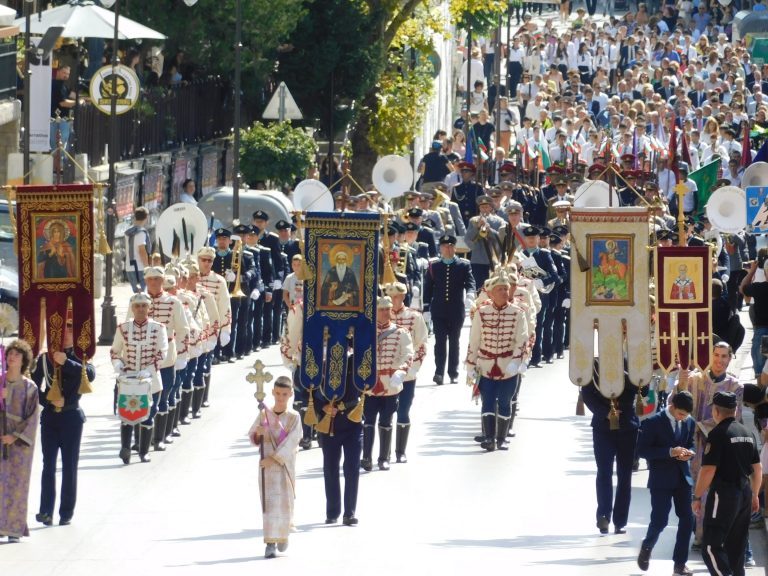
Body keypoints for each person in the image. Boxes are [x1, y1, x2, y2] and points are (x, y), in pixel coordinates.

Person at [31, 318, 95, 527]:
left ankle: (66, 511)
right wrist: (47, 398)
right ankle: (46, 511)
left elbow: (91, 375)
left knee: (69, 465)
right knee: (48, 465)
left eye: (70, 326)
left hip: (71, 417)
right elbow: (33, 387)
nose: (66, 331)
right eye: (62, 327)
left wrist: (66, 361)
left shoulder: (81, 356)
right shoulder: (44, 359)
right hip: (50, 417)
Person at [692, 391, 761, 576]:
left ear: (715, 411)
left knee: (710, 547)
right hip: (745, 493)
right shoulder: (747, 433)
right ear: (735, 409)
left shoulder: (717, 434)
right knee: (736, 548)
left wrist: (697, 496)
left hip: (724, 494)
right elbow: (758, 468)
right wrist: (754, 494)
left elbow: (708, 470)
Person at [465, 268, 529, 451]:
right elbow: (474, 340)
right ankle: (489, 438)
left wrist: (516, 362)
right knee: (487, 400)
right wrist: (470, 364)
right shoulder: (482, 312)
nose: (503, 292)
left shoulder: (518, 313)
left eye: (506, 289)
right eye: (499, 289)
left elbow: (521, 339)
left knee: (505, 401)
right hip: (485, 365)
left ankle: (501, 438)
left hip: (508, 364)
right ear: (491, 293)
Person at [636, 391, 696, 576]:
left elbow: (691, 443)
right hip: (661, 479)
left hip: (682, 478)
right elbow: (642, 450)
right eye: (680, 414)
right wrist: (669, 452)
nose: (682, 418)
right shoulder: (653, 423)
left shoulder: (689, 422)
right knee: (660, 520)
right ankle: (647, 546)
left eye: (685, 415)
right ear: (672, 406)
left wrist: (689, 452)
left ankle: (680, 564)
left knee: (687, 519)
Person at [581, 362, 640, 535]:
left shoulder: (633, 362)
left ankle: (620, 521)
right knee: (604, 472)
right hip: (602, 426)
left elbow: (642, 390)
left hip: (628, 426)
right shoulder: (595, 364)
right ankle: (604, 516)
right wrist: (604, 412)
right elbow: (587, 393)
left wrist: (623, 374)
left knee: (624, 475)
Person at [110, 292, 168, 464]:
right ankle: (125, 448)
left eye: (144, 305)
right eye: (137, 306)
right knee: (126, 415)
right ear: (132, 308)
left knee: (148, 414)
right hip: (129, 380)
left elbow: (162, 352)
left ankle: (144, 451)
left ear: (149, 308)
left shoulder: (159, 328)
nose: (140, 309)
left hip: (151, 380)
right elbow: (115, 351)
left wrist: (149, 370)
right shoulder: (123, 328)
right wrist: (118, 365)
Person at [248, 375, 301, 559]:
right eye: (277, 394)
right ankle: (270, 543)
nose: (280, 398)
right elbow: (252, 435)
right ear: (272, 392)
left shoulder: (294, 417)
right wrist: (258, 434)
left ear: (290, 394)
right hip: (267, 468)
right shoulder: (264, 414)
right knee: (269, 505)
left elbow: (293, 441)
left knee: (285, 502)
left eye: (284, 394)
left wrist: (275, 458)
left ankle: (283, 534)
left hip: (284, 465)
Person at [313, 342, 363, 526]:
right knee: (331, 467)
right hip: (330, 423)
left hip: (352, 420)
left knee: (352, 467)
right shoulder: (319, 365)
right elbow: (306, 388)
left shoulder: (353, 363)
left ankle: (349, 512)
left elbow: (366, 356)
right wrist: (322, 407)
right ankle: (332, 511)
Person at [362, 296, 413, 471]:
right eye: (381, 309)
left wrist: (400, 372)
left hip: (390, 384)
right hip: (370, 385)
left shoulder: (401, 332)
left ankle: (384, 458)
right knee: (368, 421)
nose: (385, 312)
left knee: (386, 421)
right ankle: (366, 457)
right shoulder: (365, 332)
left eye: (387, 309)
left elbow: (407, 354)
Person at [0, 339, 39, 543]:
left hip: (19, 444)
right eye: (9, 354)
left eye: (16, 354)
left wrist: (14, 436)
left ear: (24, 360)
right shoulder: (0, 381)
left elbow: (33, 419)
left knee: (16, 484)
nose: (12, 357)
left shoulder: (29, 387)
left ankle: (14, 528)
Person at [423, 234, 476, 385]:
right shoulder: (434, 265)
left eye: (451, 246)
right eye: (445, 246)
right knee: (439, 341)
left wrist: (470, 294)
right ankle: (439, 372)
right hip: (438, 310)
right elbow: (428, 288)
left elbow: (470, 282)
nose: (448, 248)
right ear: (440, 248)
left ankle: (453, 372)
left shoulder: (463, 265)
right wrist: (426, 308)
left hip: (456, 310)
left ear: (455, 247)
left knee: (454, 341)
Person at [385, 282, 428, 463]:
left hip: (406, 374)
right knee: (386, 414)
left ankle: (400, 451)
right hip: (385, 373)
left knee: (403, 411)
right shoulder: (381, 315)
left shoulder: (414, 317)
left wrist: (410, 369)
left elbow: (421, 345)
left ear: (403, 297)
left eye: (398, 296)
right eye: (392, 297)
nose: (395, 300)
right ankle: (384, 452)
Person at [124, 207, 151, 293]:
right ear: (146, 217)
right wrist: (147, 267)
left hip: (129, 267)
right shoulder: (140, 233)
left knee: (137, 294)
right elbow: (142, 251)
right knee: (142, 295)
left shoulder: (128, 232)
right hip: (139, 267)